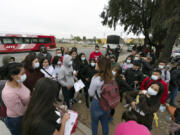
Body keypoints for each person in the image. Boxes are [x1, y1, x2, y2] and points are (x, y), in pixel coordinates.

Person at [0, 63, 30, 135]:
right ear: (13, 76)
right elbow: (20, 112)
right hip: (17, 120)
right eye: (22, 73)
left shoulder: (19, 82)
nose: (25, 75)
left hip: (26, 114)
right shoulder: (8, 94)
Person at [88, 56, 113, 135]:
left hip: (96, 103)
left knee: (94, 123)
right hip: (107, 103)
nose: (95, 63)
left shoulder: (95, 78)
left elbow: (90, 93)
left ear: (101, 66)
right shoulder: (111, 77)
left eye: (97, 62)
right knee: (105, 123)